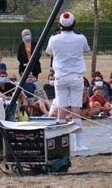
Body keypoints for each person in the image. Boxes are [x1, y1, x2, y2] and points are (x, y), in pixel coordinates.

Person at [46, 12, 90, 151]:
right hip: (76, 77)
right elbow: (87, 50)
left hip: (60, 77)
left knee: (62, 109)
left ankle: (60, 145)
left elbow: (49, 52)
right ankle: (77, 144)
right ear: (74, 23)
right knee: (76, 110)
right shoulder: (80, 38)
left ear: (60, 25)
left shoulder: (54, 39)